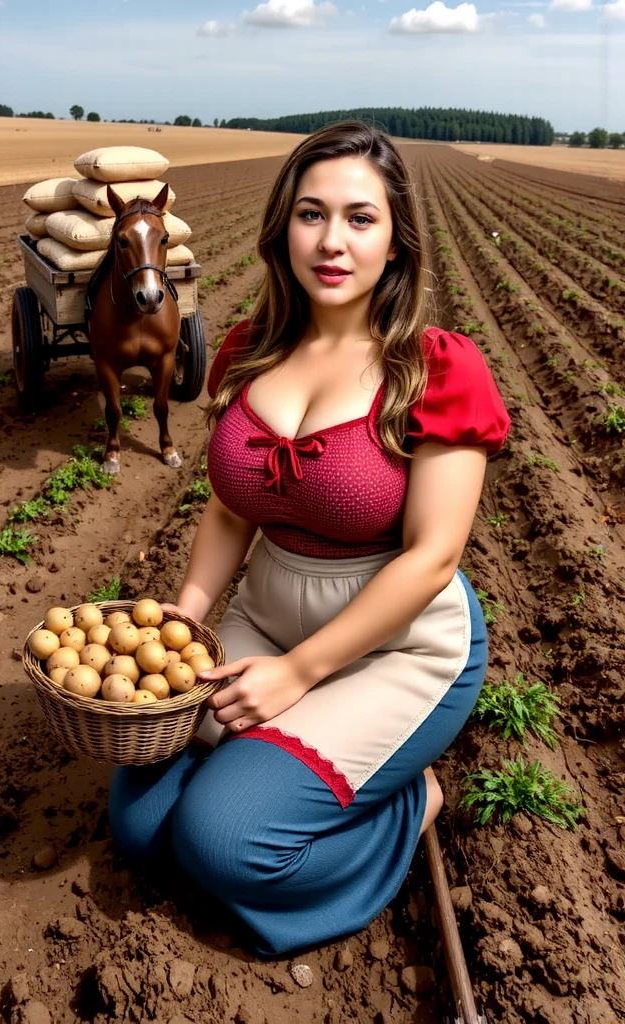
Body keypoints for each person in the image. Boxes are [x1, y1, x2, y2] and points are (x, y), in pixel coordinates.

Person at [109, 120, 511, 957]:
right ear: (281, 226)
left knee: (223, 841)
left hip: (396, 642)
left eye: (361, 218)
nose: (332, 241)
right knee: (141, 827)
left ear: (396, 239)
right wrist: (184, 616)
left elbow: (433, 556)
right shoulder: (249, 351)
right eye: (311, 213)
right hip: (266, 615)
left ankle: (407, 804)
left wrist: (299, 674)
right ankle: (283, 774)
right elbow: (232, 508)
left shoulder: (436, 368)